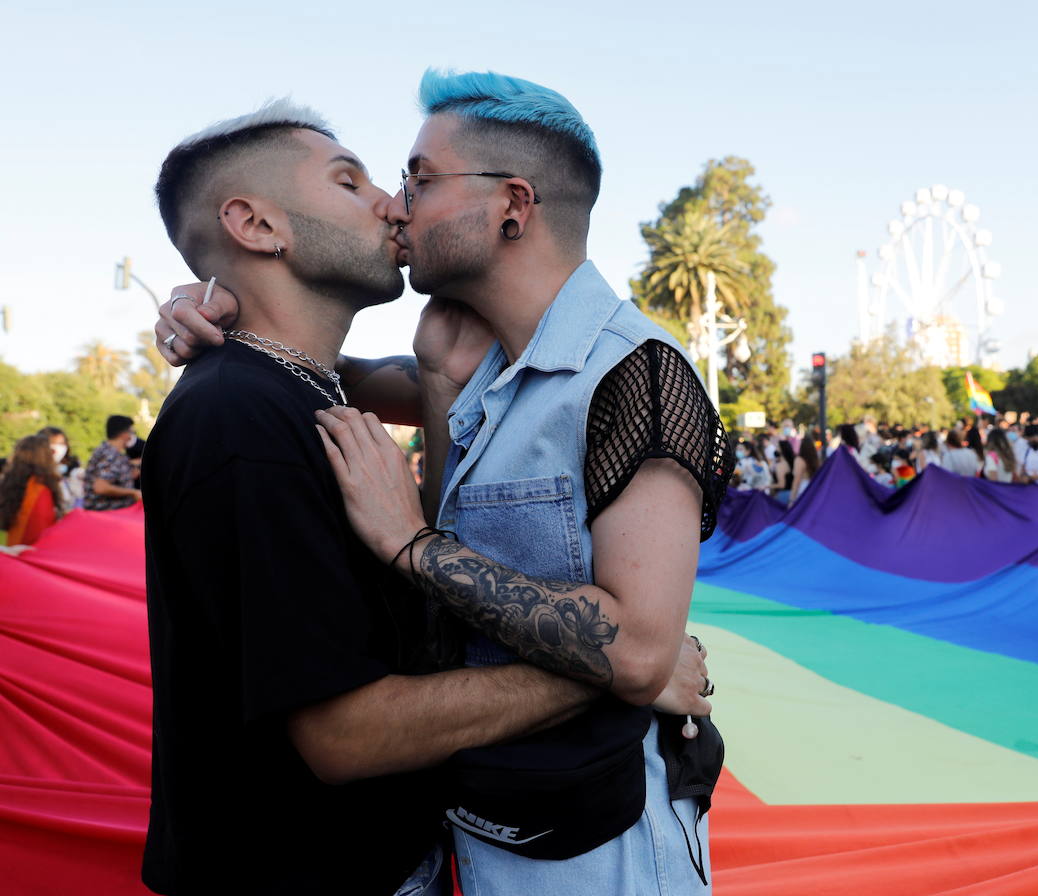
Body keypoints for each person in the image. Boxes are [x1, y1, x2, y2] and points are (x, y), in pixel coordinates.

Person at [158, 76, 725, 895]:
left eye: (418, 179)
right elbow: (309, 368)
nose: (397, 204)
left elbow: (634, 646)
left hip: (597, 846)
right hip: (473, 834)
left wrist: (414, 546)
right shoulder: (468, 368)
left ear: (511, 206)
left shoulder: (631, 372)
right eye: (371, 181)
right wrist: (211, 305)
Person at [0, 434, 66, 546]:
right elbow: (40, 526)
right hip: (30, 551)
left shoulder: (9, 482)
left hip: (7, 549)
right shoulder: (41, 487)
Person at [83, 415, 140, 511]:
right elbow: (100, 487)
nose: (131, 437)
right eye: (131, 432)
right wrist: (133, 492)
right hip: (108, 515)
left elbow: (122, 475)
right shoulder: (111, 455)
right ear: (124, 434)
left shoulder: (107, 451)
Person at [791, 430, 820, 506]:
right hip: (812, 489)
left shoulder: (799, 460)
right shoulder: (814, 458)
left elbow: (797, 480)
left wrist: (792, 499)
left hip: (802, 490)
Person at [771, 438, 796, 505]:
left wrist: (767, 486)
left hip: (783, 495)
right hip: (793, 493)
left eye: (777, 446)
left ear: (781, 449)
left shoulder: (781, 465)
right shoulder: (792, 461)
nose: (775, 448)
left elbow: (781, 485)